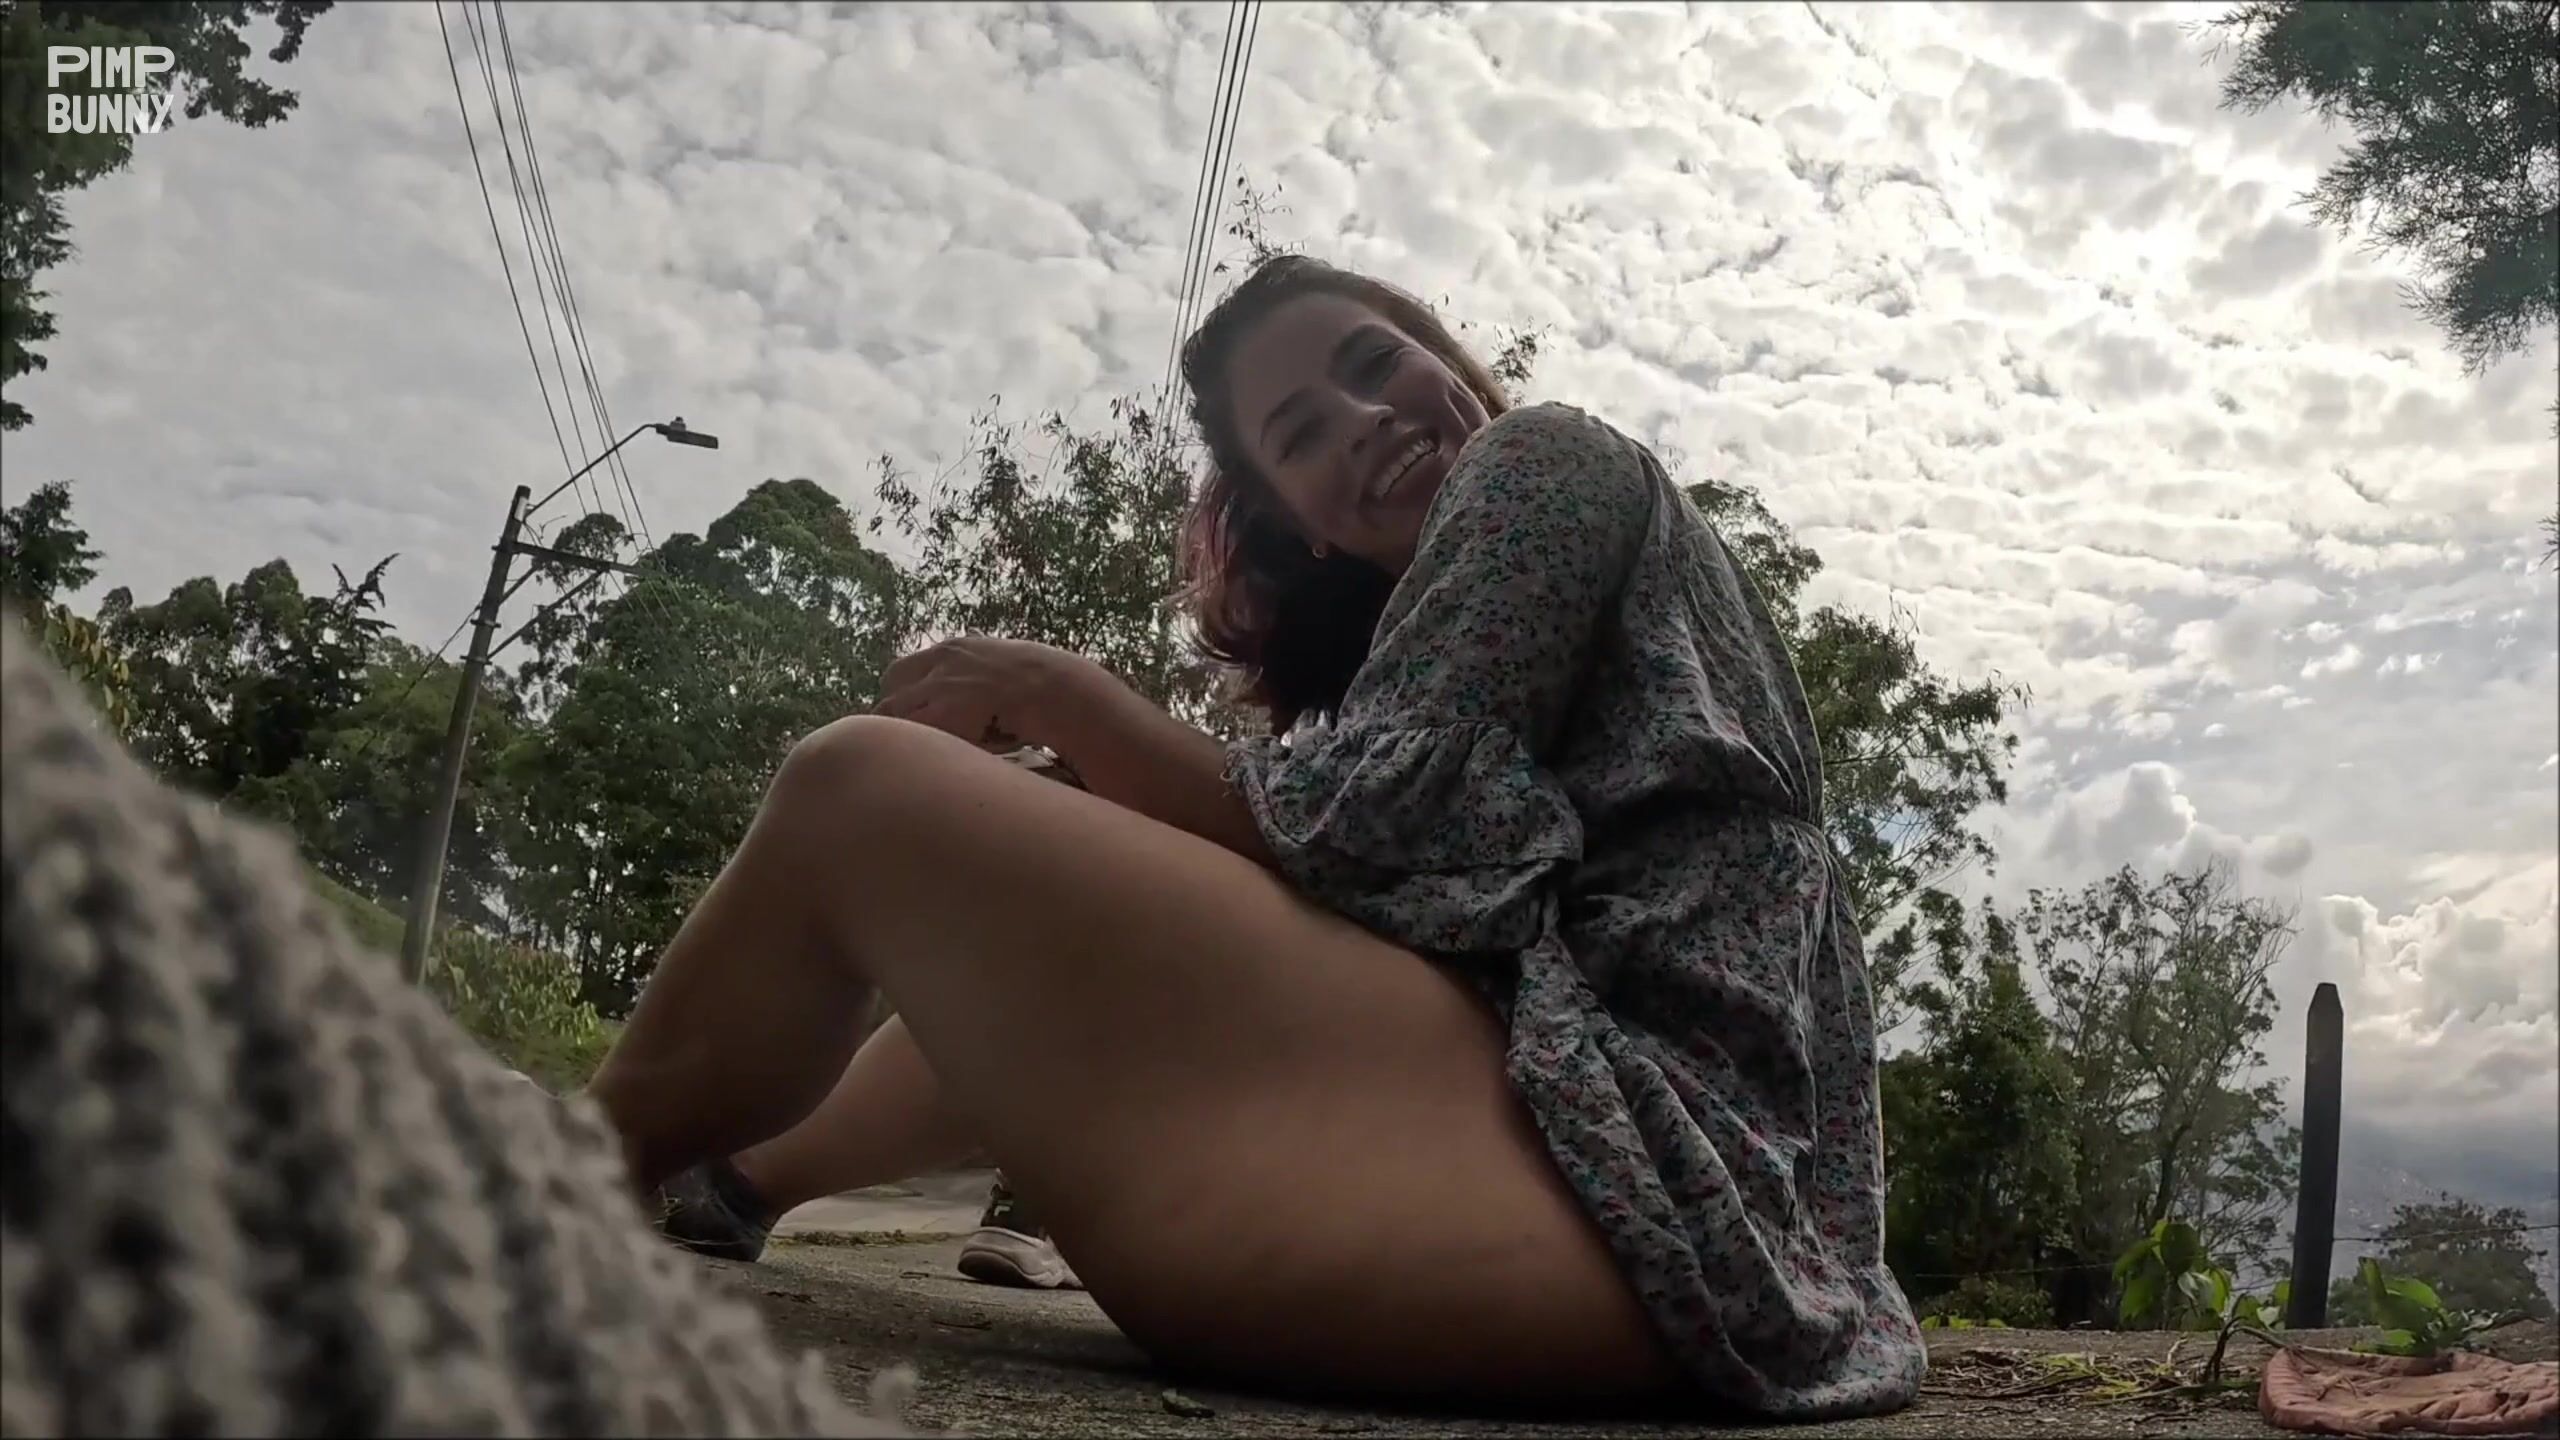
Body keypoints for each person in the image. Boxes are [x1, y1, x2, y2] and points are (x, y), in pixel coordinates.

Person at [583, 252, 1927, 1416]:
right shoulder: (1455, 660)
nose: (1365, 418)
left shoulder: (1549, 456)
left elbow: (1374, 833)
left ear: (1446, 360)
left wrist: (1059, 694)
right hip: (1661, 1235)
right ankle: (736, 1181)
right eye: (1301, 431)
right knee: (1051, 911)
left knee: (863, 791)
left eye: (1375, 362)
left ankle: (547, 1184)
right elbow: (1350, 864)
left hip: (1633, 1192)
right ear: (1303, 523)